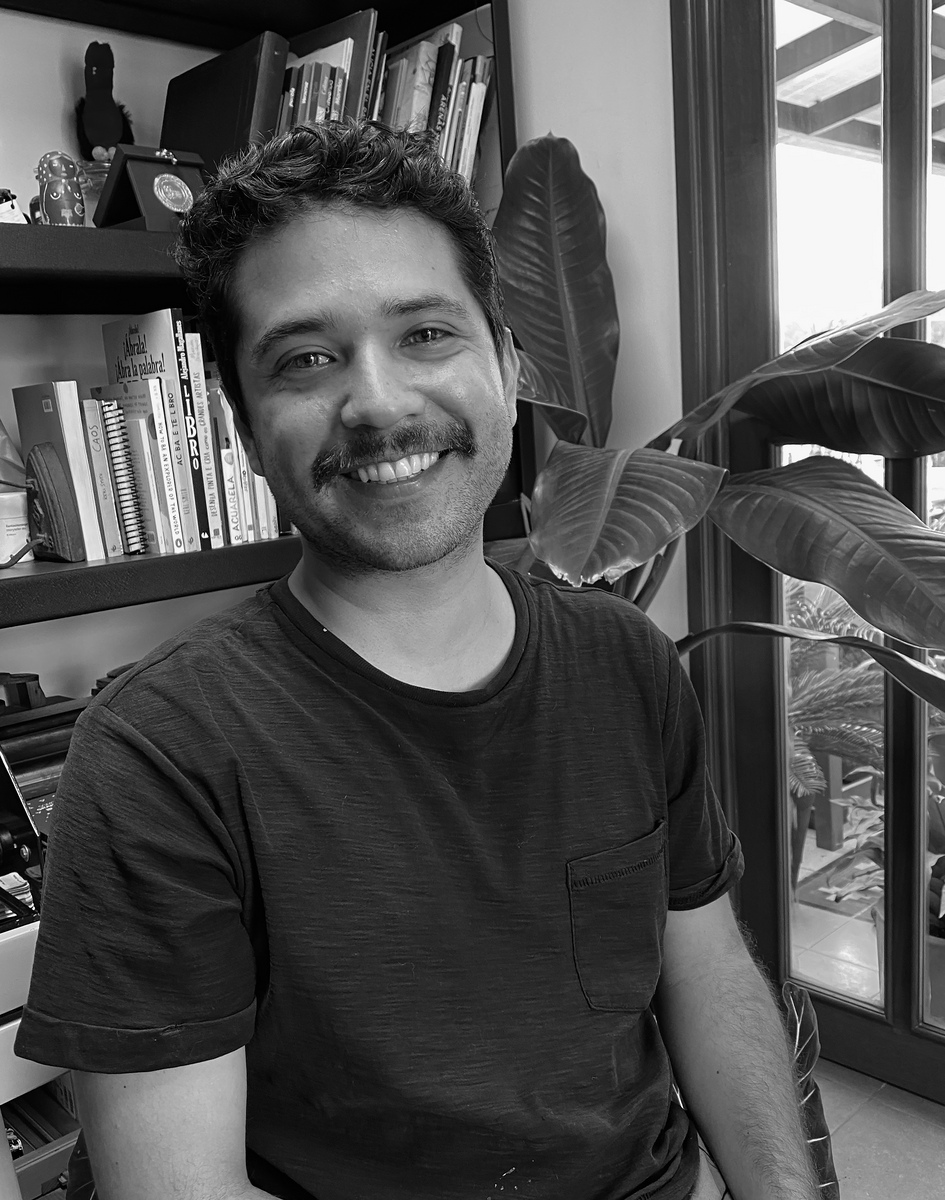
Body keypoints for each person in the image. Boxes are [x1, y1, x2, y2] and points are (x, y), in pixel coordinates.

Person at [15, 120, 818, 1200]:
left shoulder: (627, 664)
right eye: (306, 359)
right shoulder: (160, 753)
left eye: (427, 333)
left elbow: (705, 968)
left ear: (509, 364)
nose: (380, 403)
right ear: (245, 429)